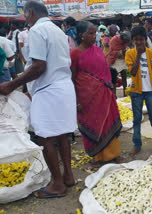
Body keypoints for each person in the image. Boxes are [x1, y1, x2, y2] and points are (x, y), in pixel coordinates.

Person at [0, 1, 77, 198]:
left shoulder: (36, 30)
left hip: (48, 89)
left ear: (31, 12)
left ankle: (57, 184)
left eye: (25, 15)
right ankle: (68, 176)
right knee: (62, 135)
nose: (25, 20)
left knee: (45, 136)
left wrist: (12, 84)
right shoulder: (58, 30)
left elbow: (38, 67)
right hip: (64, 87)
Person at [70, 21, 123, 168]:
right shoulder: (75, 54)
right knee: (93, 124)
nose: (95, 36)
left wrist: (111, 90)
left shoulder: (99, 50)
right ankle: (97, 157)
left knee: (108, 121)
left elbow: (105, 72)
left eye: (95, 33)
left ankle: (115, 154)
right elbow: (73, 79)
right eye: (91, 33)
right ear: (81, 35)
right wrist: (76, 102)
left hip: (104, 95)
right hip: (87, 98)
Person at [125, 26, 152, 156]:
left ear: (145, 39)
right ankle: (137, 145)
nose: (139, 42)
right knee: (136, 120)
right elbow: (132, 72)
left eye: (141, 39)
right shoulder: (129, 54)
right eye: (136, 40)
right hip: (136, 92)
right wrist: (138, 55)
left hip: (150, 92)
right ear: (132, 40)